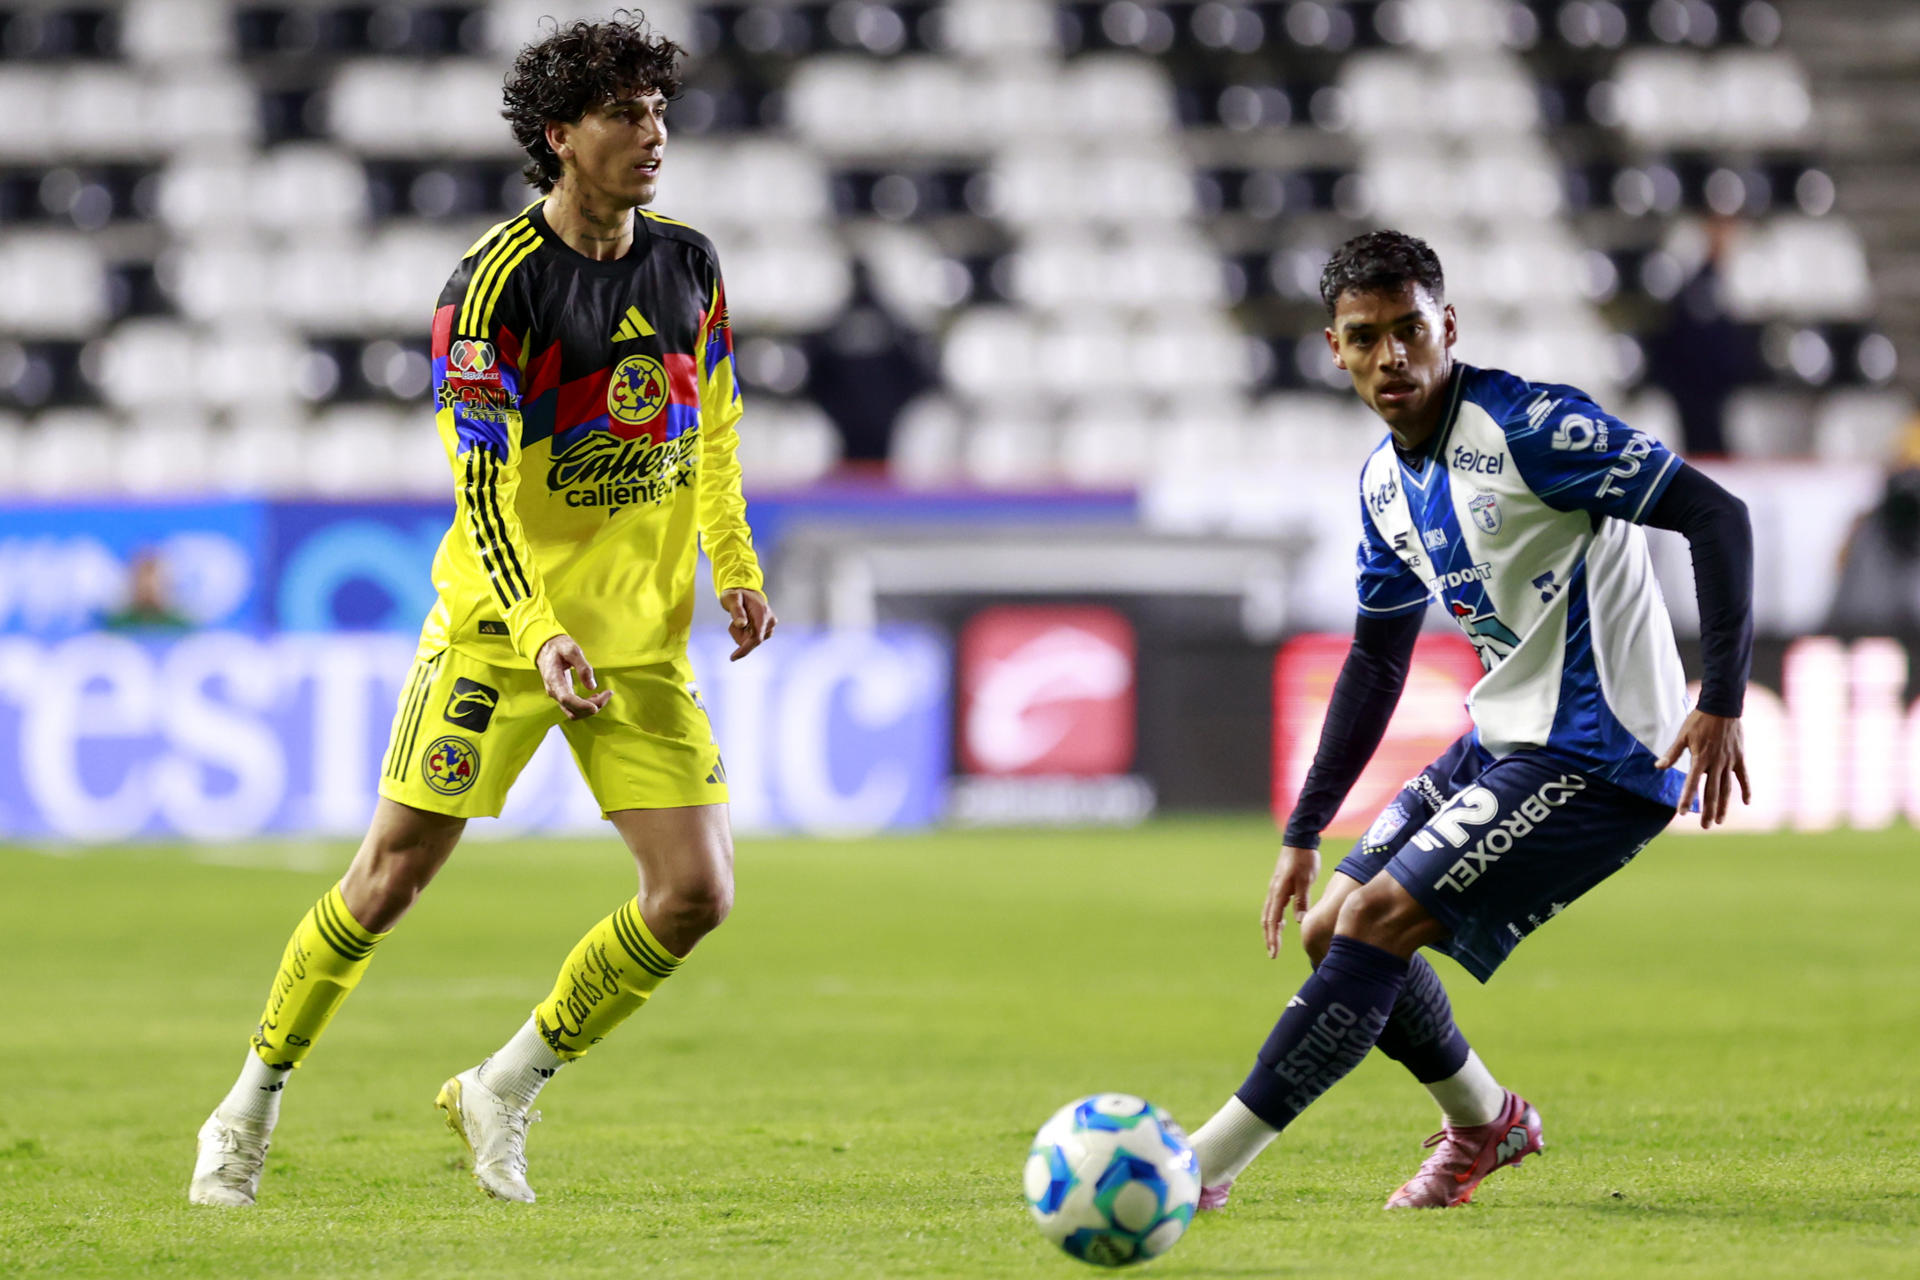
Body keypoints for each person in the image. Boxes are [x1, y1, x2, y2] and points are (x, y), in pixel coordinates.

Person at [190, 12, 776, 1207]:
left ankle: (504, 1083)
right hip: (501, 635)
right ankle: (247, 1102)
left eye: (659, 111)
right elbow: (483, 489)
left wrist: (735, 563)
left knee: (696, 893)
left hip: (637, 642)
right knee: (387, 879)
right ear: (559, 135)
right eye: (624, 114)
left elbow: (713, 428)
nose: (653, 134)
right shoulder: (495, 286)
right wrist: (540, 630)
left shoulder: (691, 263)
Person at [1186, 230, 1753, 1211]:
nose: (1391, 356)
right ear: (1334, 349)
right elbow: (1376, 658)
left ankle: (1201, 1166)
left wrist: (1721, 700)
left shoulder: (1532, 429)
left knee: (1375, 922)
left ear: (1447, 327)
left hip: (1604, 752)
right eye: (1366, 337)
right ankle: (1488, 1121)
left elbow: (1717, 513)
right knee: (1332, 929)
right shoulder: (1383, 482)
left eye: (1409, 330)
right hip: (1504, 737)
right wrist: (1304, 829)